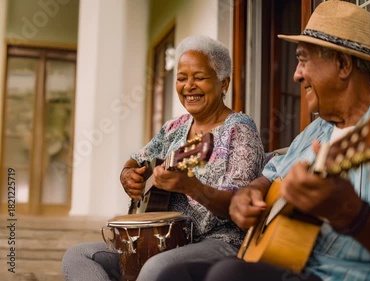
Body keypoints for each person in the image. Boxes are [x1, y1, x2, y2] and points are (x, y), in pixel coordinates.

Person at [154, 1, 370, 281]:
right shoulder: (316, 132)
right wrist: (250, 195)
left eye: (303, 61)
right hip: (296, 266)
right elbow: (268, 178)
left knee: (229, 275)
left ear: (342, 64)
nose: (297, 75)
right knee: (172, 275)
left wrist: (352, 213)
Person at [61, 35, 265, 281]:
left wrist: (191, 186)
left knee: (155, 268)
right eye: (181, 78)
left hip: (219, 242)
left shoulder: (239, 130)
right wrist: (127, 175)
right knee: (78, 256)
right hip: (160, 242)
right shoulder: (174, 128)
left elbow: (237, 207)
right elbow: (136, 160)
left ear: (224, 83)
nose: (188, 86)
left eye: (199, 77)